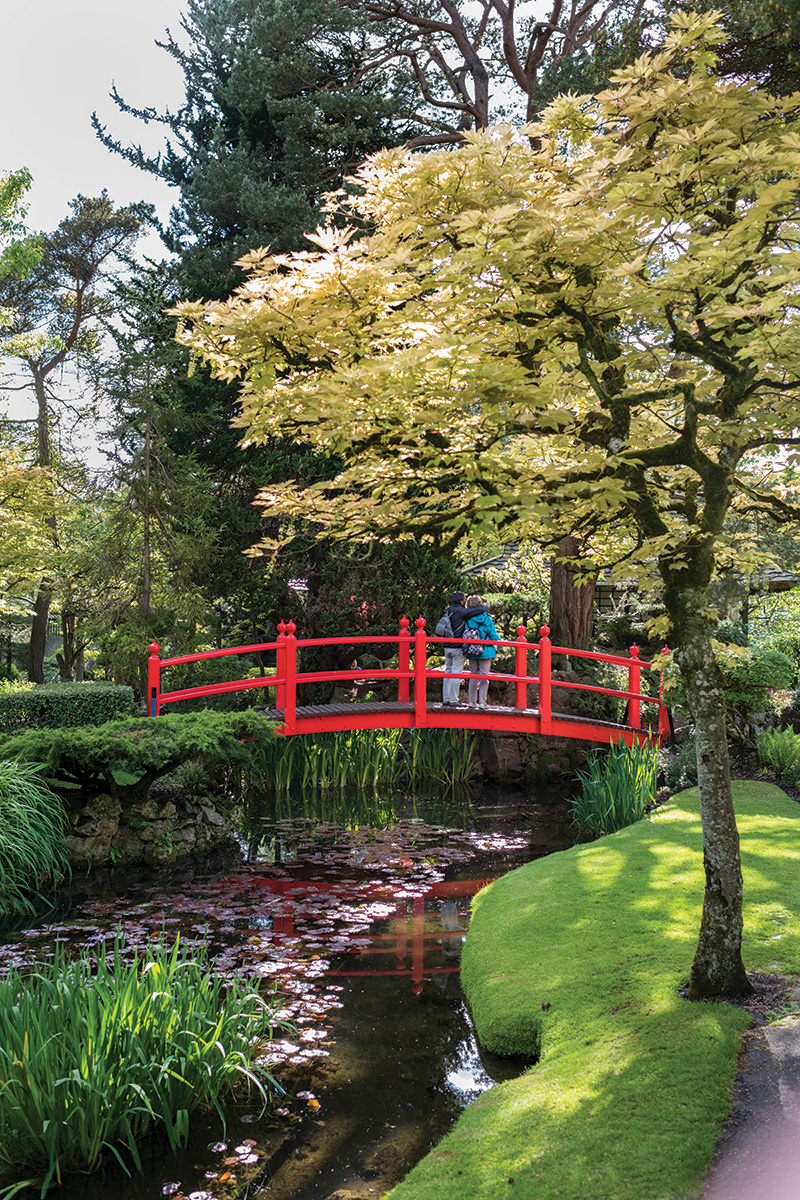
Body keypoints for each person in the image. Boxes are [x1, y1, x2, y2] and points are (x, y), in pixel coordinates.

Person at [441, 591, 488, 706]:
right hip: (457, 647)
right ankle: (453, 699)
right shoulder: (461, 611)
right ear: (462, 601)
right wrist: (485, 606)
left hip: (447, 646)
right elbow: (475, 610)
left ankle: (446, 698)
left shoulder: (448, 609)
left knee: (448, 671)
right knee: (456, 673)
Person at [463, 594, 499, 709]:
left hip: (472, 649)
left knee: (473, 675)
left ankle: (472, 701)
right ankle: (482, 702)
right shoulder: (486, 619)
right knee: (484, 676)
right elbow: (493, 635)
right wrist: (498, 642)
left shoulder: (468, 619)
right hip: (486, 650)